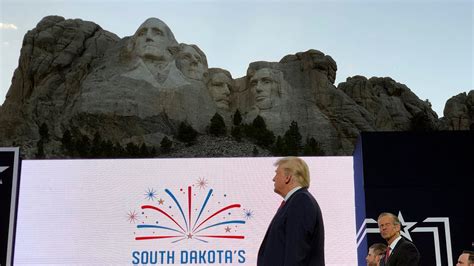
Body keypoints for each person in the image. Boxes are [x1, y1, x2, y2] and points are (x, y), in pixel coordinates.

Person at [257, 157, 324, 265]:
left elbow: (296, 254)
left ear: (287, 177)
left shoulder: (301, 202)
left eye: (277, 173)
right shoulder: (295, 201)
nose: (273, 179)